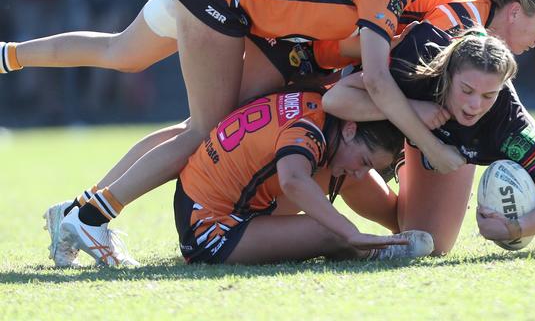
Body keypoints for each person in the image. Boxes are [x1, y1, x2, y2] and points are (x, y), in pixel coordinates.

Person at [17, 0, 483, 265]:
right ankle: (93, 215)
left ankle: (9, 60)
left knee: (121, 53)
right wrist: (433, 146)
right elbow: (378, 82)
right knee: (205, 129)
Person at [322, 24, 535, 256]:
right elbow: (335, 98)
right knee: (343, 160)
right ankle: (404, 164)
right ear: (448, 75)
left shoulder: (508, 122)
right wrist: (414, 112)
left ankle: (408, 172)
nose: (475, 105)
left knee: (433, 244)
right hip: (373, 132)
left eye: (488, 95)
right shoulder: (419, 58)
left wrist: (515, 228)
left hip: (441, 156)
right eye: (466, 90)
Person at [59, 90, 434, 266]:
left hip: (216, 202)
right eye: (365, 160)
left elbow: (308, 172)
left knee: (341, 176)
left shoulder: (319, 110)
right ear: (350, 129)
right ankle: (382, 249)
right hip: (211, 229)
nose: (360, 169)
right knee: (331, 231)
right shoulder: (310, 131)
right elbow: (291, 181)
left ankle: (399, 228)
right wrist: (349, 233)